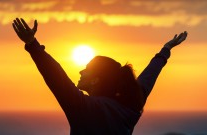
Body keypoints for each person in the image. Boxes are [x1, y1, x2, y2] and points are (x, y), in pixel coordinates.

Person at [12, 18, 188, 135]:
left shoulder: (85, 108)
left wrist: (32, 44)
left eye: (87, 69)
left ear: (97, 79)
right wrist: (165, 51)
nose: (80, 71)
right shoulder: (130, 106)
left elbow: (56, 77)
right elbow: (148, 77)